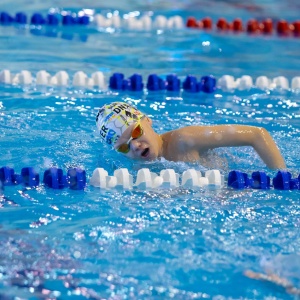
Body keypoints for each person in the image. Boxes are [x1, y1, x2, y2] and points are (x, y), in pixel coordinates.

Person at [96, 101, 286, 170]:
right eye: (123, 147)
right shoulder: (132, 168)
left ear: (148, 120)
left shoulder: (185, 140)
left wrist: (282, 177)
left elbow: (257, 134)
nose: (135, 146)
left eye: (136, 132)